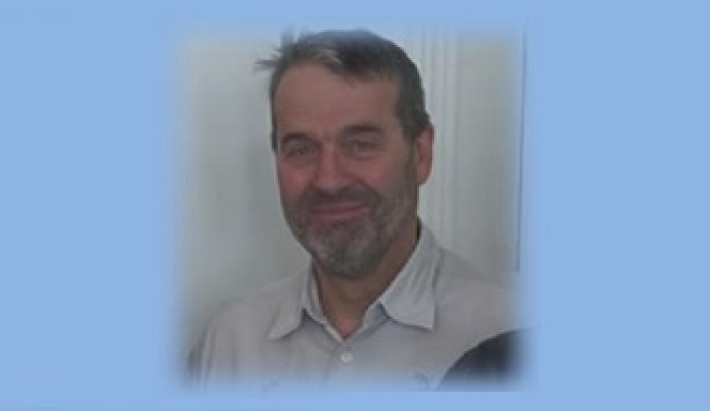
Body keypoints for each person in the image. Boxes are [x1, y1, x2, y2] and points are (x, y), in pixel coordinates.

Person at [190, 29, 516, 390]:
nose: (329, 181)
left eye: (360, 145)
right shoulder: (230, 345)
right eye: (301, 149)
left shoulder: (509, 339)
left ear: (421, 154)